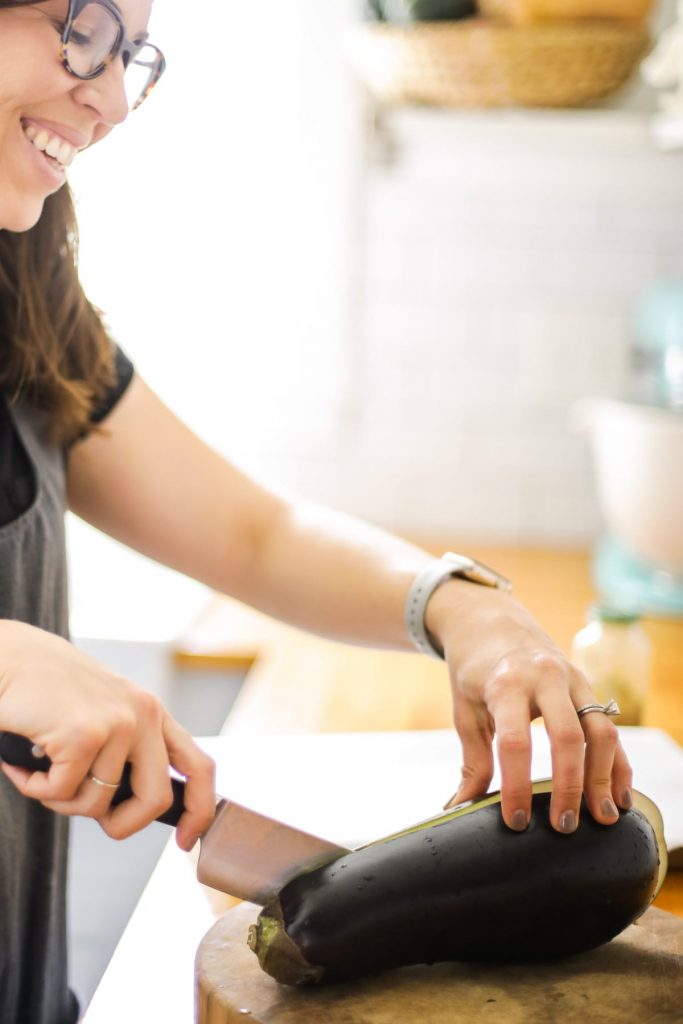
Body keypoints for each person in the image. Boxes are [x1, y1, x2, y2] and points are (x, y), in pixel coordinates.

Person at [0, 2, 633, 1021]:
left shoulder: (20, 294)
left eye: (131, 57)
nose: (113, 98)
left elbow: (257, 535)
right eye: (81, 30)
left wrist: (460, 606)